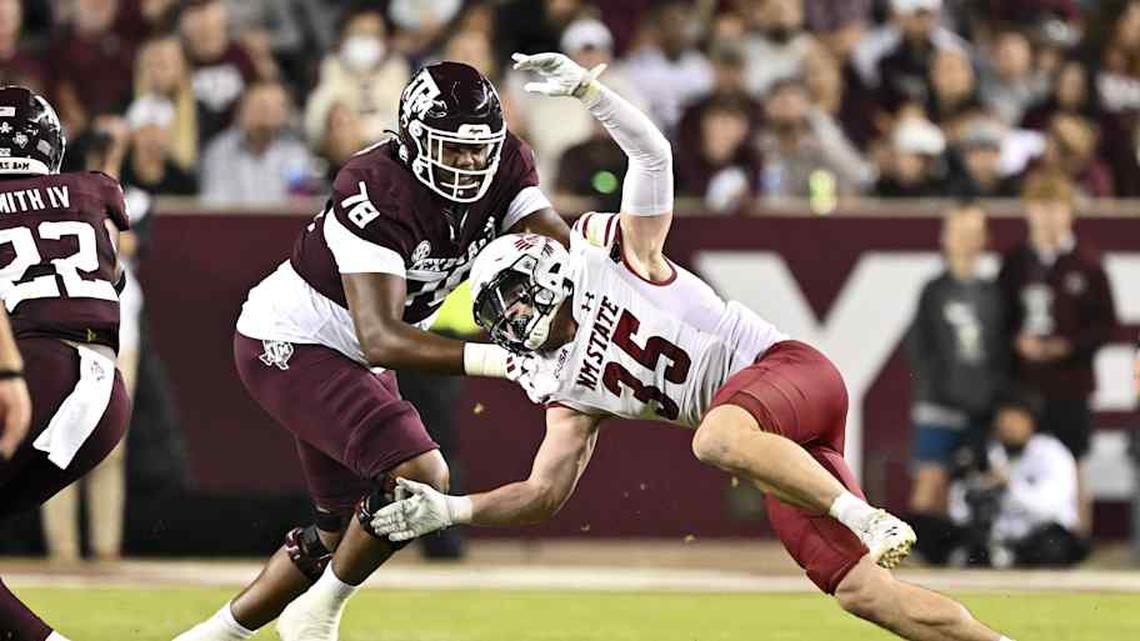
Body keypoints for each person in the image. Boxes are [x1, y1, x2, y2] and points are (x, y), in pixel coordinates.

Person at [372, 52, 1018, 641]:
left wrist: (594, 94)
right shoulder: (558, 383)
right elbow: (543, 492)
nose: (510, 318)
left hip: (790, 373)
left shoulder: (613, 256)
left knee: (712, 438)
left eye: (512, 295)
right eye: (496, 312)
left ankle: (867, 514)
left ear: (548, 270)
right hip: (768, 440)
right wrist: (451, 509)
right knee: (863, 593)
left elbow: (653, 158)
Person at [172, 61, 569, 641]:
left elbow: (552, 240)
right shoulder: (375, 185)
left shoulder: (507, 161)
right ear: (411, 139)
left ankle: (215, 636)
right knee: (420, 472)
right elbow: (379, 334)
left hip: (357, 355)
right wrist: (502, 359)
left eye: (476, 149)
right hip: (296, 338)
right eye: (451, 149)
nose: (467, 164)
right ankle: (319, 613)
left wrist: (594, 283)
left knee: (338, 532)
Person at [0, 85, 132, 641]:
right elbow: (113, 277)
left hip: (35, 374)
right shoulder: (89, 194)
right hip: (103, 394)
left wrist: (8, 374)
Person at [997, 171, 1118, 535]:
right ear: (1028, 212)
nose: (1048, 216)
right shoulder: (1016, 262)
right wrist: (1017, 341)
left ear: (1069, 212)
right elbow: (1000, 318)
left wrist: (1070, 346)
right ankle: (1022, 539)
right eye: (1040, 207)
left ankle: (1079, 538)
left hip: (1071, 383)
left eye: (1056, 208)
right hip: (1027, 386)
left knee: (1074, 462)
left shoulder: (1087, 263)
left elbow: (1106, 324)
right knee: (1023, 462)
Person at [906, 204, 1008, 564]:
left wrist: (991, 398)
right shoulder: (933, 291)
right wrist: (944, 391)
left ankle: (958, 556)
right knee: (931, 481)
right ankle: (912, 564)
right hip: (940, 404)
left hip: (981, 406)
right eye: (959, 233)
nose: (966, 242)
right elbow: (921, 349)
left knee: (978, 485)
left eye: (973, 234)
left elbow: (999, 350)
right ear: (945, 239)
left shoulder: (993, 293)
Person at [948, 388, 1087, 568]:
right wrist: (979, 491)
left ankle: (1006, 558)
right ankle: (987, 555)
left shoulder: (1051, 453)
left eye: (1016, 418)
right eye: (1004, 418)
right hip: (996, 534)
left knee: (1054, 545)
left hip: (1041, 533)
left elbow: (1049, 506)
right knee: (931, 528)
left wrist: (1009, 486)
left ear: (1031, 421)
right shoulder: (985, 453)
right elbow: (958, 507)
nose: (1009, 425)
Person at [200, 80, 317, 204]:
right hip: (234, 222)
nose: (266, 114)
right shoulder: (219, 152)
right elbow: (214, 208)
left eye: (275, 107)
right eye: (260, 106)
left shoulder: (296, 155)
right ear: (242, 109)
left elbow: (299, 206)